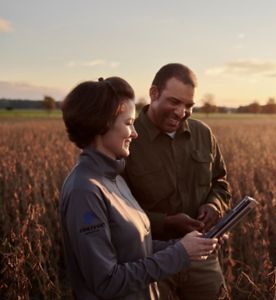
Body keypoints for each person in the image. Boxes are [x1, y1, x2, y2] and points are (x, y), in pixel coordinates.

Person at [59, 76, 219, 300]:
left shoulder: (114, 179)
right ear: (101, 124)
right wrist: (179, 254)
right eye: (128, 123)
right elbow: (106, 282)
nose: (135, 133)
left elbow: (133, 247)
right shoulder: (84, 191)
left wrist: (186, 245)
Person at [123, 64, 232, 300]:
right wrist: (168, 223)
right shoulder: (127, 138)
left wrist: (214, 205)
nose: (181, 112)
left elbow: (220, 182)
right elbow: (118, 211)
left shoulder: (203, 134)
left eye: (189, 105)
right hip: (149, 258)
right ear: (153, 94)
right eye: (174, 102)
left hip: (202, 256)